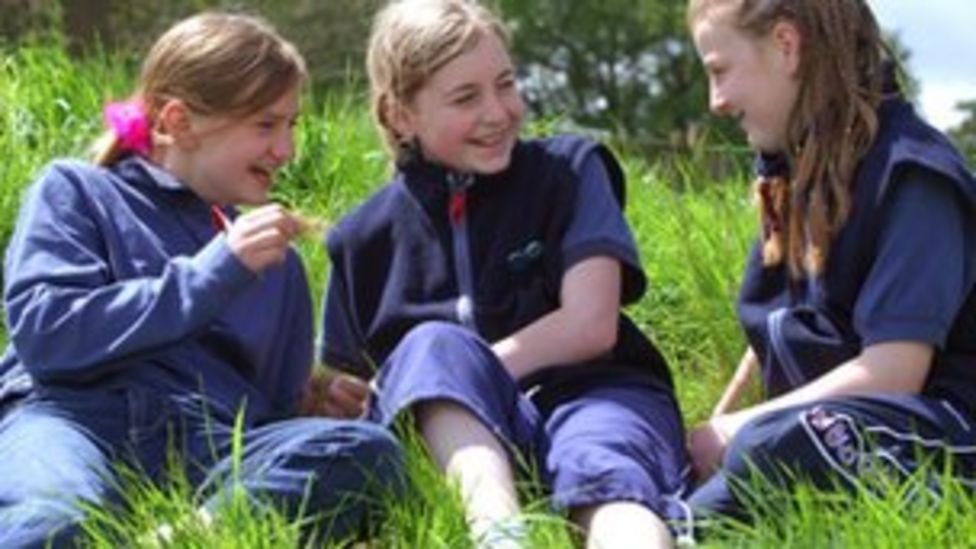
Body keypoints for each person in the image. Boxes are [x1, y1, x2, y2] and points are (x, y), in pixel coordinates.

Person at [0, 12, 403, 548]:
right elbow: (48, 336)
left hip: (205, 445)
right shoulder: (77, 191)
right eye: (265, 124)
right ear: (176, 121)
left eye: (292, 125)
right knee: (49, 526)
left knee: (366, 453)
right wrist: (212, 274)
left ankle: (180, 539)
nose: (285, 150)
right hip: (70, 417)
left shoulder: (270, 260)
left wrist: (310, 398)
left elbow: (266, 419)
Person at [318, 1, 691, 547]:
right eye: (466, 97)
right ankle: (498, 534)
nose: (498, 111)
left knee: (605, 469)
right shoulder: (360, 239)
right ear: (400, 115)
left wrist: (455, 370)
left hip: (596, 394)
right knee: (430, 345)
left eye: (506, 84)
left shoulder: (570, 170)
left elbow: (591, 325)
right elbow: (349, 396)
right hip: (456, 448)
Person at [685, 0, 976, 524]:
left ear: (786, 46)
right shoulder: (802, 174)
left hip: (940, 434)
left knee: (782, 441)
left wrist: (738, 430)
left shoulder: (913, 178)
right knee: (734, 459)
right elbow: (788, 326)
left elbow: (894, 372)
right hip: (811, 436)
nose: (716, 102)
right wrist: (719, 425)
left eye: (720, 71)